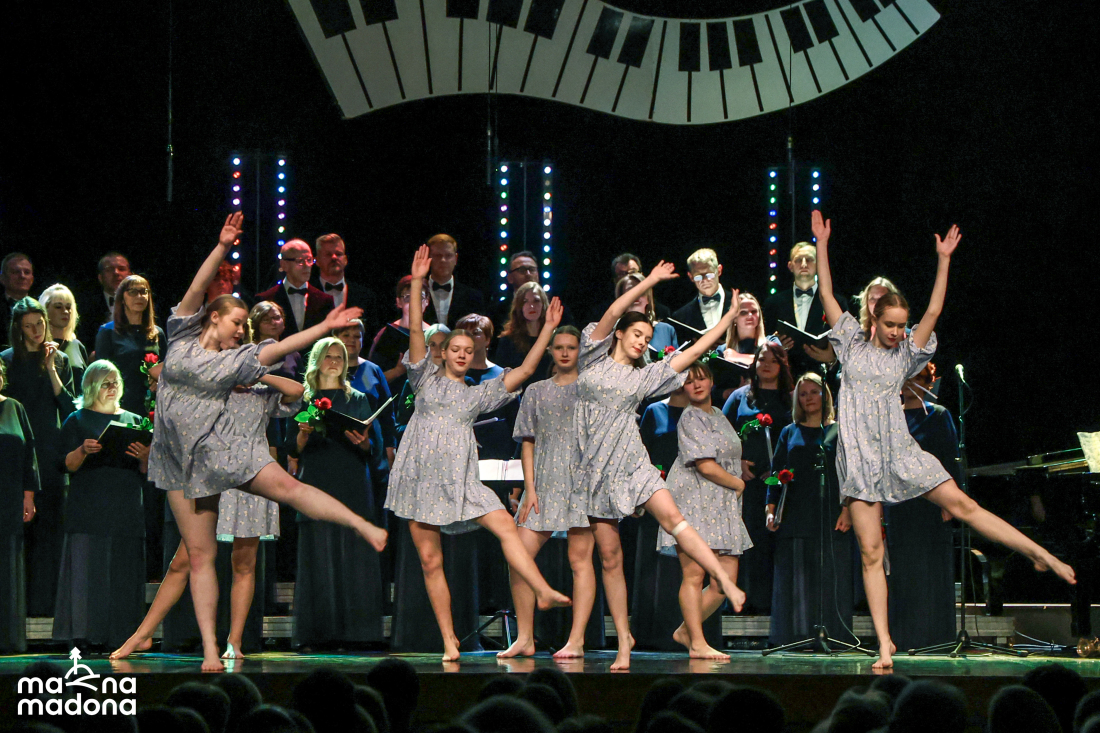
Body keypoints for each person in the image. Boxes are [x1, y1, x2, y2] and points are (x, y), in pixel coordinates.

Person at [812, 209, 1074, 669]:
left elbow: (933, 311)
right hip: (859, 459)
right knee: (871, 553)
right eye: (891, 325)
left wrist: (944, 260)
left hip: (899, 451)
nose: (898, 332)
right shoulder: (850, 343)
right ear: (874, 318)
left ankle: (1040, 554)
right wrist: (822, 244)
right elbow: (828, 293)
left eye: (902, 326)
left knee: (963, 506)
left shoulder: (906, 354)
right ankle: (885, 643)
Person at [128, 212, 387, 671]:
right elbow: (196, 287)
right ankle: (209, 647)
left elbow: (279, 352)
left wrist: (323, 328)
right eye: (235, 321)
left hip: (220, 454)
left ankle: (362, 526)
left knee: (288, 490)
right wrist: (222, 246)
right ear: (213, 317)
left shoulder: (241, 360)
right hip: (178, 461)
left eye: (244, 323)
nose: (240, 328)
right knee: (199, 557)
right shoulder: (181, 334)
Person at [385, 244, 570, 662]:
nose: (462, 355)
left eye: (468, 352)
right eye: (455, 350)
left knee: (505, 526)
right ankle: (449, 640)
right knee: (430, 561)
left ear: (472, 358)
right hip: (420, 477)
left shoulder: (478, 395)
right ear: (444, 352)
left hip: (462, 479)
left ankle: (541, 590)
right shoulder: (424, 380)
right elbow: (414, 334)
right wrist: (418, 282)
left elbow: (525, 371)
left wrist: (547, 330)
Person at [572, 260, 746, 670]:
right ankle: (624, 642)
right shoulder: (591, 356)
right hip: (594, 469)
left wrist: (728, 320)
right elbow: (614, 311)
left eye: (647, 338)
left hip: (633, 462)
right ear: (619, 334)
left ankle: (723, 580)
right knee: (610, 558)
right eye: (637, 334)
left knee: (675, 520)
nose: (641, 341)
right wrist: (649, 281)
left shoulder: (645, 376)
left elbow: (695, 352)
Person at [107, 367, 304, 661]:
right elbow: (159, 370)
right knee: (183, 561)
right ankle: (142, 635)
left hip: (252, 480)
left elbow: (297, 391)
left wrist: (257, 375)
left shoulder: (261, 392)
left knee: (244, 564)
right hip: (212, 479)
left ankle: (234, 642)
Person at [499, 325, 595, 659]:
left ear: (581, 351)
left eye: (572, 347)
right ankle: (525, 637)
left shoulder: (591, 389)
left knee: (580, 561)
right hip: (543, 484)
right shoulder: (536, 391)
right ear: (551, 351)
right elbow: (527, 441)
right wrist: (530, 488)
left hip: (582, 485)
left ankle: (576, 640)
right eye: (559, 347)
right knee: (518, 557)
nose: (565, 352)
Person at [289, 338, 386, 650]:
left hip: (352, 480)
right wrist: (302, 436)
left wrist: (363, 442)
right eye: (328, 356)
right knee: (319, 554)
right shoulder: (305, 399)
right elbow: (292, 450)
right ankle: (317, 634)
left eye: (339, 357)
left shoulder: (357, 398)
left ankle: (359, 633)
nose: (334, 362)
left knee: (355, 555)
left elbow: (374, 448)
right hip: (316, 480)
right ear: (317, 361)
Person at [655, 361, 748, 660]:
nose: (696, 384)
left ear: (711, 382)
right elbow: (705, 465)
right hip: (694, 500)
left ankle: (686, 631)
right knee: (694, 575)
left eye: (701, 378)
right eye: (689, 380)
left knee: (724, 582)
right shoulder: (690, 417)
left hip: (720, 502)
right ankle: (697, 642)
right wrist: (738, 483)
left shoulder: (718, 414)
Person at [53, 360, 149, 649]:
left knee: (124, 570)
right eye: (106, 383)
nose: (112, 387)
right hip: (89, 506)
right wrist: (83, 450)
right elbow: (65, 465)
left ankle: (124, 635)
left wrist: (144, 456)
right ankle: (86, 634)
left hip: (126, 505)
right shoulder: (77, 419)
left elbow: (148, 471)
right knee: (88, 570)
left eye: (115, 382)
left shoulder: (134, 420)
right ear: (92, 386)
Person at [765, 372, 854, 647]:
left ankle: (833, 635)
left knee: (830, 573)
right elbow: (775, 473)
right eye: (803, 394)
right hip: (795, 512)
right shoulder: (789, 432)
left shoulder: (840, 431)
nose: (808, 398)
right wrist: (770, 509)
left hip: (830, 512)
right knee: (798, 574)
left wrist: (848, 508)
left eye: (814, 392)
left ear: (825, 395)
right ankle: (799, 636)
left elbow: (851, 473)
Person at [1, 296, 76, 617]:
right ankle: (18, 607)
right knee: (20, 532)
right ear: (18, 329)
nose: (35, 331)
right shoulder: (7, 360)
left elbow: (69, 408)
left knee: (51, 532)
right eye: (28, 326)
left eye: (40, 324)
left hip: (49, 452)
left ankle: (48, 609)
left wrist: (51, 367)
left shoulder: (60, 359)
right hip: (17, 454)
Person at [883, 363, 958, 651]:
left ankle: (937, 637)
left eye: (918, 378)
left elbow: (950, 458)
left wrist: (951, 502)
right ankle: (906, 637)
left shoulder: (938, 415)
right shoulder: (891, 417)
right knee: (904, 569)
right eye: (907, 378)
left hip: (933, 503)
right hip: (900, 504)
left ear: (929, 383)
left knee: (932, 567)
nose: (910, 383)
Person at [721, 341, 793, 614]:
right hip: (744, 483)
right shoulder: (740, 397)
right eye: (762, 359)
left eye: (774, 361)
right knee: (745, 541)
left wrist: (778, 472)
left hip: (779, 485)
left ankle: (770, 604)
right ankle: (742, 602)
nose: (767, 365)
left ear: (782, 366)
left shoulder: (791, 398)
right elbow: (721, 435)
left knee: (772, 541)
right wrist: (736, 463)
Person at [762, 242, 847, 378]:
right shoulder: (773, 303)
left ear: (818, 265)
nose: (803, 264)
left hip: (823, 379)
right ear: (790, 266)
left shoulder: (836, 302)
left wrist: (832, 359)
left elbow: (848, 346)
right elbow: (763, 340)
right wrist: (775, 346)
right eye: (798, 260)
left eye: (809, 260)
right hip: (783, 380)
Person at [0, 358, 39, 653]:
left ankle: (9, 638)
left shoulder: (15, 408)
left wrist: (29, 495)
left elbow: (29, 455)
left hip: (10, 498)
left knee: (8, 566)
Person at [95, 275, 167, 416]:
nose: (139, 296)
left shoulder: (158, 333)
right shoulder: (108, 332)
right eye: (133, 292)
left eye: (143, 291)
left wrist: (160, 381)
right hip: (121, 406)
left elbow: (168, 369)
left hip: (154, 407)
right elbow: (101, 374)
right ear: (122, 298)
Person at [254, 239, 336, 342]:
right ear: (284, 265)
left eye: (309, 260)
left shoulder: (325, 301)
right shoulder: (265, 299)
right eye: (300, 261)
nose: (306, 266)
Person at [313, 233, 381, 338]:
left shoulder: (365, 296)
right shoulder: (308, 293)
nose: (334, 257)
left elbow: (372, 337)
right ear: (317, 260)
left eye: (338, 254)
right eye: (328, 254)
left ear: (345, 260)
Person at [370, 275, 427, 392]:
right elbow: (370, 379)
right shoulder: (387, 334)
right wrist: (398, 370)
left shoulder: (435, 335)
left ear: (427, 301)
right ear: (399, 302)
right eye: (408, 298)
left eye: (419, 297)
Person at [494, 281, 553, 386]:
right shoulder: (507, 341)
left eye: (536, 301)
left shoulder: (553, 338)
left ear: (543, 304)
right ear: (519, 307)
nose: (532, 306)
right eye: (525, 301)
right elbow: (501, 381)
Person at [422, 233, 486, 329]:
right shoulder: (415, 294)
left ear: (455, 259)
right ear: (428, 259)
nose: (443, 260)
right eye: (437, 255)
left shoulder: (473, 297)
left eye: (448, 255)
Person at [670, 248, 733, 340]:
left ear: (719, 270)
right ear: (691, 277)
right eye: (698, 277)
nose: (704, 280)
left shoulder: (741, 304)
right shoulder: (681, 317)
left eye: (709, 275)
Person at [77, 251, 132, 346]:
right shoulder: (86, 307)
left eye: (121, 269)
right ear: (100, 278)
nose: (116, 273)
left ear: (130, 275)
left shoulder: (143, 303)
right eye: (109, 270)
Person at [39, 284, 90, 387]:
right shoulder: (38, 345)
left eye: (68, 307)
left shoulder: (77, 346)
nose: (65, 311)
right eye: (58, 307)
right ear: (45, 310)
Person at [614, 273, 678, 354]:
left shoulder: (666, 330)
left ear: (648, 298)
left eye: (641, 291)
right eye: (630, 291)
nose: (636, 295)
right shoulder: (611, 330)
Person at [1, 253, 35, 348]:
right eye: (15, 272)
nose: (22, 276)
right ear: (2, 278)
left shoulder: (41, 306)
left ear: (32, 279)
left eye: (27, 272)